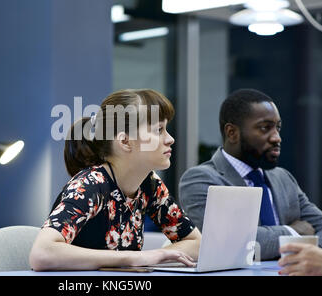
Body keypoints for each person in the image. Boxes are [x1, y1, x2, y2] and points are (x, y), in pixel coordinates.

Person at [30, 89, 201, 271]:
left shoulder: (150, 184)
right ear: (125, 142)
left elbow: (196, 243)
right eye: (159, 130)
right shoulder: (91, 184)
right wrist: (135, 258)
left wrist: (153, 257)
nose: (170, 139)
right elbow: (42, 254)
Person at [178, 88, 322, 260]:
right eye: (265, 128)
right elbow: (230, 244)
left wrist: (272, 241)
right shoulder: (201, 179)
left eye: (277, 128)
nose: (276, 138)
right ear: (232, 133)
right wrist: (293, 231)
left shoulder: (283, 178)